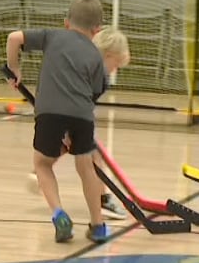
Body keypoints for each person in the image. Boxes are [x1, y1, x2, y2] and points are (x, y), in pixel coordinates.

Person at [7, 0, 110, 244]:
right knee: (86, 167)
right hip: (82, 115)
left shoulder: (52, 36)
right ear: (97, 30)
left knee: (42, 164)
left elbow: (14, 38)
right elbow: (97, 90)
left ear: (66, 22)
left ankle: (59, 214)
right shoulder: (96, 55)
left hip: (49, 112)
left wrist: (14, 68)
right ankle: (97, 225)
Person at [23, 31, 130, 222]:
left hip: (59, 112)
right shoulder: (99, 76)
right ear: (107, 56)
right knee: (91, 155)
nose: (115, 70)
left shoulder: (81, 63)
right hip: (66, 115)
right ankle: (101, 202)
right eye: (116, 65)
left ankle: (40, 172)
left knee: (83, 151)